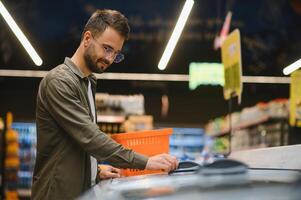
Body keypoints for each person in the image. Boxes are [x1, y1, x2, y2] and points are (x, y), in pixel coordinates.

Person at [32, 9, 178, 200]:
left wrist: (95, 170)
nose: (110, 59)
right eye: (107, 48)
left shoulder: (87, 82)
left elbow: (73, 146)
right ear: (87, 39)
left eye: (116, 54)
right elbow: (90, 138)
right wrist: (146, 161)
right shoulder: (59, 82)